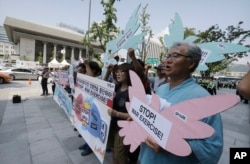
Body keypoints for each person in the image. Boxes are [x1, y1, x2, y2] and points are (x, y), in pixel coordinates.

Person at [139, 42, 223, 164]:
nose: (168, 60)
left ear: (191, 63)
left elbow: (212, 148)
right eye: (167, 56)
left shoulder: (202, 98)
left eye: (175, 55)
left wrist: (174, 143)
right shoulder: (161, 89)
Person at [107, 62, 137, 164]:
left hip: (124, 130)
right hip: (113, 126)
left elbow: (135, 116)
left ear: (129, 74)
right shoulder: (117, 88)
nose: (118, 74)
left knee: (120, 155)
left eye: (122, 71)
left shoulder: (133, 92)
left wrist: (117, 114)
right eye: (117, 72)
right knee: (114, 152)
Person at [78, 60, 102, 156]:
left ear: (95, 71)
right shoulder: (87, 78)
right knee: (86, 126)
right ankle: (87, 143)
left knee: (92, 128)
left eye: (88, 69)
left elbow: (91, 78)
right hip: (87, 106)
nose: (86, 71)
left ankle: (91, 147)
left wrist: (86, 64)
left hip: (94, 110)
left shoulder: (98, 79)